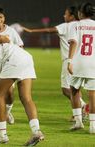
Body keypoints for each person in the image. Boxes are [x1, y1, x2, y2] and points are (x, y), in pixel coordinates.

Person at [22, 6, 88, 121]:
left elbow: (48, 30)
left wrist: (31, 31)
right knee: (75, 88)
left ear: (72, 16)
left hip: (69, 60)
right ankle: (78, 112)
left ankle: (83, 107)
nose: (64, 16)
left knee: (66, 89)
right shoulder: (82, 25)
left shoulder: (66, 26)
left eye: (66, 14)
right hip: (83, 60)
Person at [67, 2, 95, 133]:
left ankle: (78, 122)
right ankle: (93, 126)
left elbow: (73, 42)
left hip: (79, 63)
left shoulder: (75, 25)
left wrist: (69, 60)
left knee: (74, 90)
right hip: (93, 64)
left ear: (81, 13)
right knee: (93, 95)